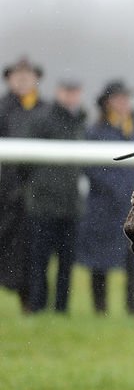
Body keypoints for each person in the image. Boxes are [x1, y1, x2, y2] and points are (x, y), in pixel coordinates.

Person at [77, 80, 134, 315]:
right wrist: (117, 188)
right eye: (119, 98)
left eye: (126, 98)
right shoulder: (95, 132)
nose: (123, 103)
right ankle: (100, 309)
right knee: (100, 263)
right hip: (104, 207)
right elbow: (91, 168)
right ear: (108, 103)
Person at [23, 78, 87, 313]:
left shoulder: (81, 120)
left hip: (71, 206)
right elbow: (25, 161)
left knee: (66, 264)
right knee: (39, 261)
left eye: (75, 91)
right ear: (58, 92)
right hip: (43, 205)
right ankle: (37, 306)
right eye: (67, 91)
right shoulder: (43, 118)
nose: (71, 96)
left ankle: (61, 308)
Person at [0, 57, 53, 312]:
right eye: (16, 74)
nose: (22, 79)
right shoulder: (1, 109)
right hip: (4, 196)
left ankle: (33, 305)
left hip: (37, 197)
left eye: (27, 74)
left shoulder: (47, 111)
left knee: (34, 255)